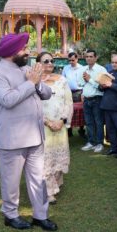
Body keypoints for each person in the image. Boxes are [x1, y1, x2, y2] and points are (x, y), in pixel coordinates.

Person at [0, 33, 57, 231]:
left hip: (35, 137)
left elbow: (47, 93)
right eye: (24, 48)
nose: (27, 52)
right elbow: (8, 100)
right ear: (11, 52)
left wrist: (38, 81)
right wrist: (31, 82)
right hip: (12, 139)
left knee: (38, 179)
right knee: (10, 182)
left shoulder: (26, 69)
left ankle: (40, 216)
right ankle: (10, 215)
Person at [36, 52, 73, 204]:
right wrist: (48, 122)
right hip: (42, 127)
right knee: (45, 158)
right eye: (46, 61)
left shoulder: (62, 80)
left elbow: (68, 102)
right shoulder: (34, 82)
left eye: (52, 61)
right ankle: (48, 191)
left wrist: (62, 120)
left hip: (60, 126)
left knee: (59, 156)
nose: (50, 63)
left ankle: (56, 183)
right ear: (38, 63)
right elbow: (32, 106)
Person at [80, 49, 107, 153]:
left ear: (96, 58)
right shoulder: (84, 69)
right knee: (89, 122)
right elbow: (83, 84)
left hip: (97, 99)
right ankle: (91, 142)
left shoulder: (101, 70)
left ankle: (99, 143)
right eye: (87, 56)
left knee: (98, 122)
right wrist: (83, 93)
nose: (88, 58)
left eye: (91, 56)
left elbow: (102, 86)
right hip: (86, 99)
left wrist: (90, 79)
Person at [61, 52, 84, 137]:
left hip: (78, 92)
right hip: (68, 92)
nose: (71, 62)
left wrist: (83, 93)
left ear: (77, 59)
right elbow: (62, 79)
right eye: (69, 60)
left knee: (80, 112)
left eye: (73, 60)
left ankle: (81, 129)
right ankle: (69, 130)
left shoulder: (82, 68)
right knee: (68, 110)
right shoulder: (66, 68)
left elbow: (85, 82)